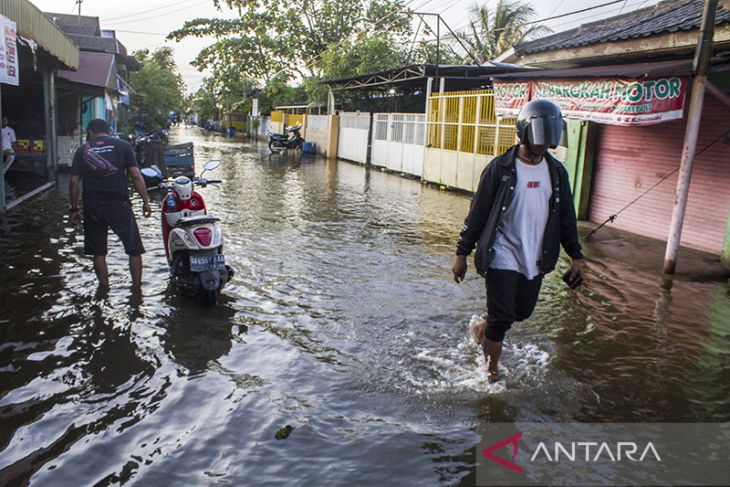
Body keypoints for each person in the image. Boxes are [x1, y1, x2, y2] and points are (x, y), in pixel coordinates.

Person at [451, 99, 584, 383]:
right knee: (501, 319)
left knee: (520, 313)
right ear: (525, 132)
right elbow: (478, 213)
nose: (544, 148)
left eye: (549, 142)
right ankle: (490, 370)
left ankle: (481, 330)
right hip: (502, 253)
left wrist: (576, 257)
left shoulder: (557, 173)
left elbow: (566, 219)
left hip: (535, 256)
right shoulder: (500, 169)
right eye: (540, 141)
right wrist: (462, 253)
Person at [69, 119, 152, 291]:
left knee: (99, 252)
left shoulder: (81, 151)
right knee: (134, 249)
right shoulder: (122, 146)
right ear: (108, 131)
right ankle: (136, 291)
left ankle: (104, 289)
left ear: (90, 133)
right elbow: (136, 175)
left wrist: (74, 209)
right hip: (119, 204)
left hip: (92, 206)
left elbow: (73, 182)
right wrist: (145, 201)